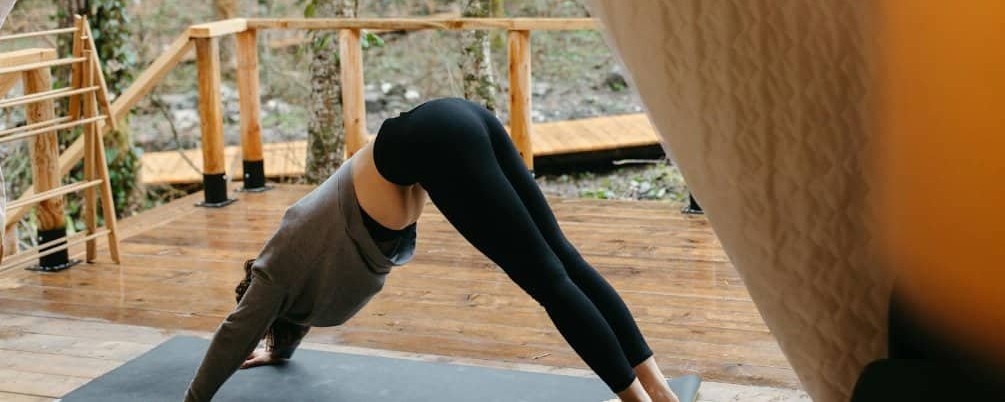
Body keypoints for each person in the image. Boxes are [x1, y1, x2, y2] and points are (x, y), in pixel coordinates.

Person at [185, 97, 679, 402]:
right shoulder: (298, 270)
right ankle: (659, 390)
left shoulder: (276, 272)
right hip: (459, 117)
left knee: (549, 280)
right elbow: (291, 317)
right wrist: (278, 351)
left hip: (437, 141)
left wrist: (194, 400)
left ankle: (639, 400)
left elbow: (238, 328)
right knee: (563, 261)